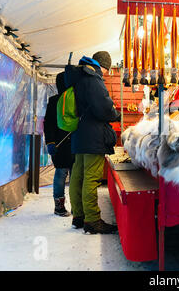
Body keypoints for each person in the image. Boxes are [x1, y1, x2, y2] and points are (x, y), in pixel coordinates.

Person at [64, 51, 120, 234]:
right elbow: (103, 108)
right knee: (91, 178)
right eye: (107, 69)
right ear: (103, 66)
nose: (106, 73)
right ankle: (92, 220)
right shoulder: (93, 78)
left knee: (77, 176)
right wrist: (115, 114)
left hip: (79, 134)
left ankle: (78, 216)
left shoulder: (80, 75)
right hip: (93, 135)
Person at [43, 72, 75, 217]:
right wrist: (50, 142)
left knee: (70, 174)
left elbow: (48, 124)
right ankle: (60, 207)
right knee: (63, 173)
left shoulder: (69, 100)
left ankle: (75, 206)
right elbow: (48, 124)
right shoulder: (56, 100)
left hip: (68, 142)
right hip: (60, 144)